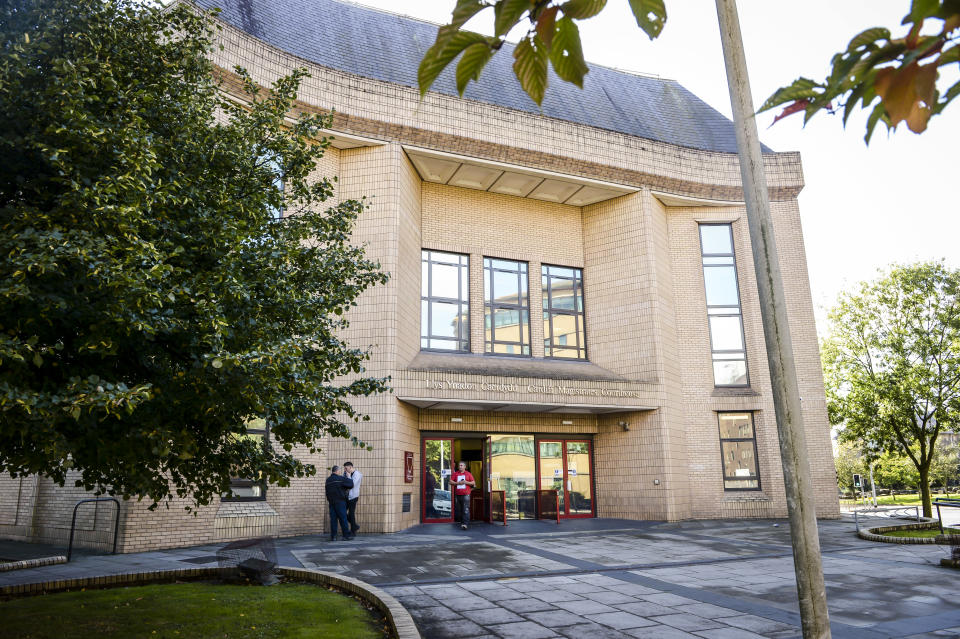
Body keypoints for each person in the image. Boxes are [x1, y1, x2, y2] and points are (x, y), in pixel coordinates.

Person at [325, 465, 354, 541]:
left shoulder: (328, 480)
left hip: (331, 503)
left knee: (333, 520)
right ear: (337, 471)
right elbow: (351, 484)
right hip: (340, 502)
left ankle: (333, 537)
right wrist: (349, 476)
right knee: (343, 519)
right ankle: (346, 536)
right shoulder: (340, 479)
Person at [452, 461, 475, 530]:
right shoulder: (455, 474)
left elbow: (473, 482)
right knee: (459, 509)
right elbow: (450, 481)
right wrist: (457, 483)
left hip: (466, 495)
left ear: (465, 466)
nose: (460, 467)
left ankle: (465, 524)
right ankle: (462, 522)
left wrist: (466, 482)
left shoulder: (468, 474)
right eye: (459, 465)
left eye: (462, 465)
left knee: (465, 509)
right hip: (458, 494)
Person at [343, 461, 362, 535]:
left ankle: (353, 531)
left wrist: (348, 476)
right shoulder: (346, 474)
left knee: (351, 513)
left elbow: (352, 484)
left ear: (350, 467)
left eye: (346, 468)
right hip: (346, 496)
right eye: (344, 468)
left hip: (353, 497)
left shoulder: (357, 474)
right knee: (342, 512)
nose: (344, 470)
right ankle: (354, 526)